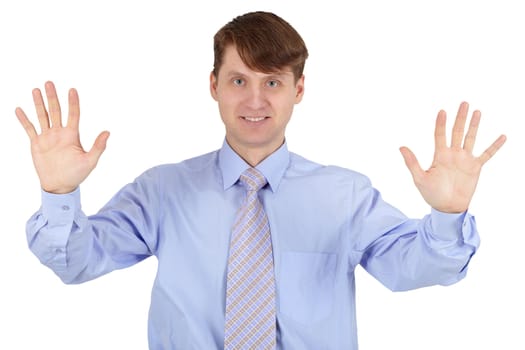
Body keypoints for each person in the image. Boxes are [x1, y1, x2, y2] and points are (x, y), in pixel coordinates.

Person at [15, 11, 506, 350]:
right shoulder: (162, 191)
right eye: (238, 81)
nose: (255, 101)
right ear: (214, 86)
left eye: (272, 81)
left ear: (299, 89)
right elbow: (76, 263)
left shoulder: (345, 195)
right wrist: (59, 195)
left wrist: (446, 216)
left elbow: (415, 269)